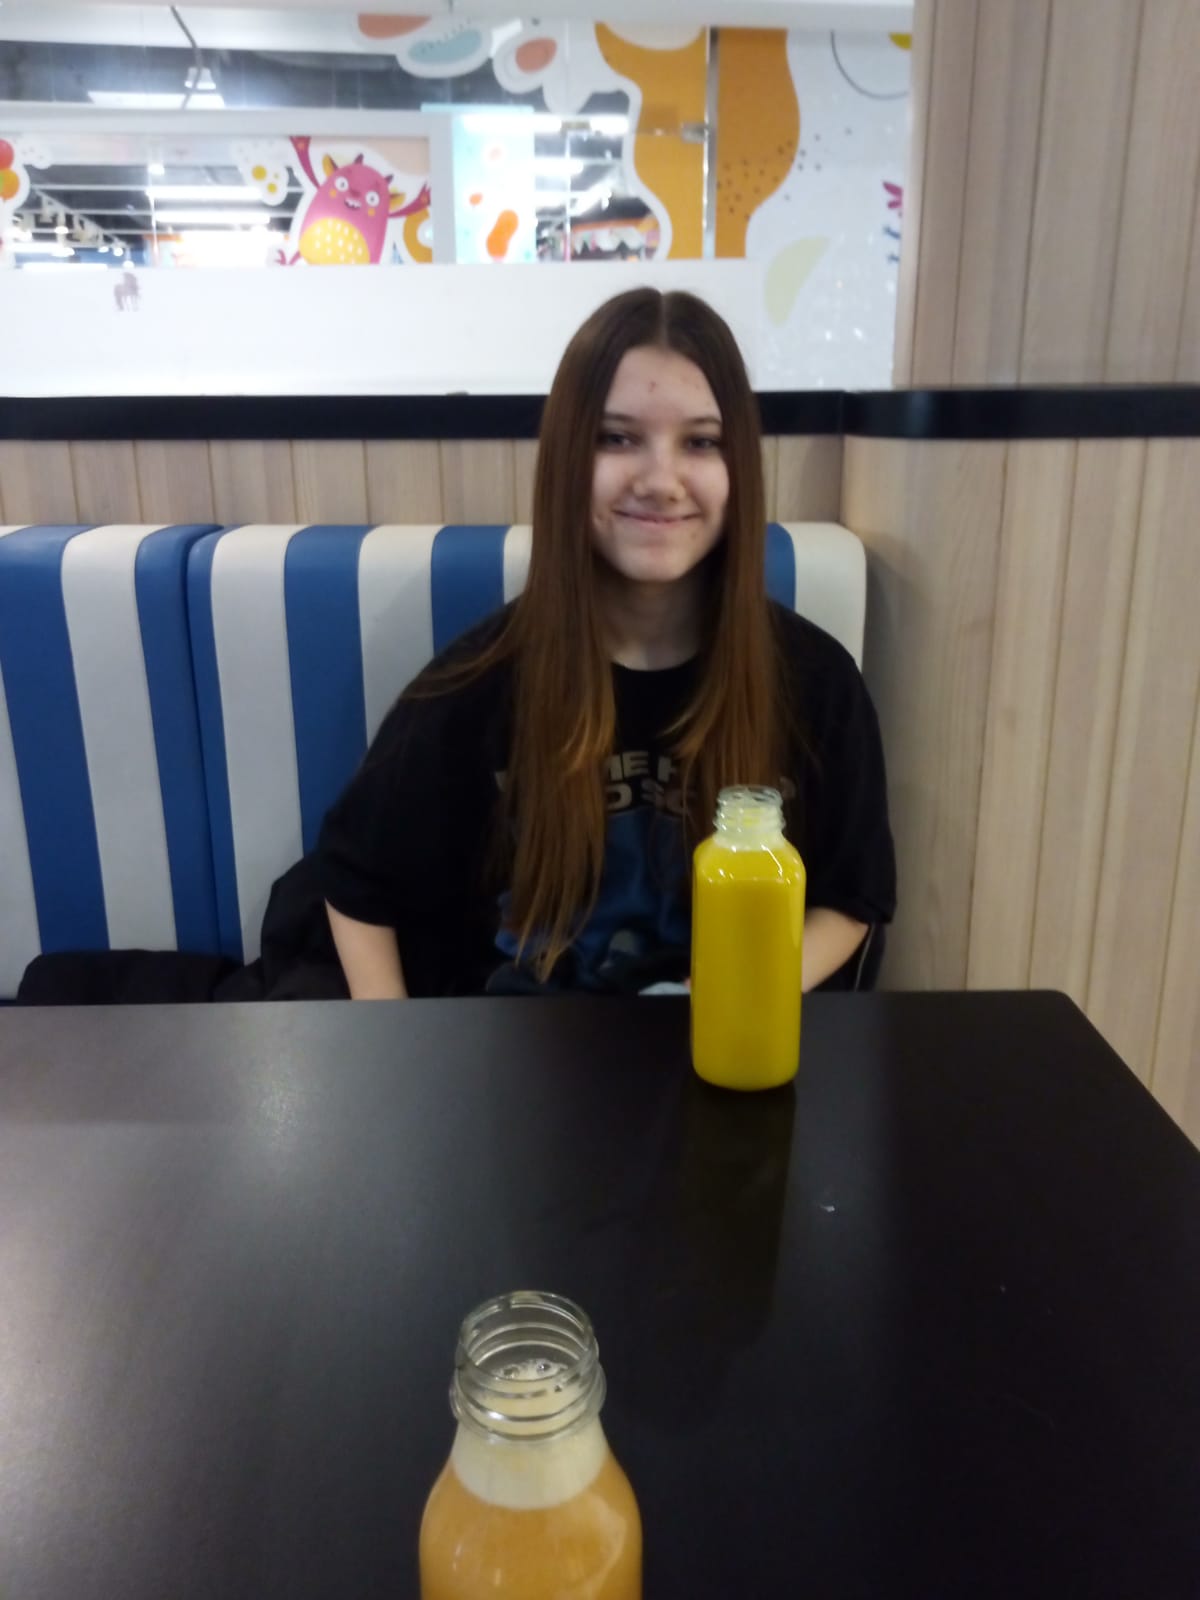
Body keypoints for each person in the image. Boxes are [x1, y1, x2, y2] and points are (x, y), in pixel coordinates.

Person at [317, 288, 895, 1000]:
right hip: (518, 1053)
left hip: (729, 1045)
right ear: (568, 460)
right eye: (617, 438)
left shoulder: (816, 681)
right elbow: (355, 879)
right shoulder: (478, 680)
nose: (660, 481)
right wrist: (396, 1041)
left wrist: (733, 998)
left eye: (701, 442)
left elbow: (853, 895)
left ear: (738, 468)